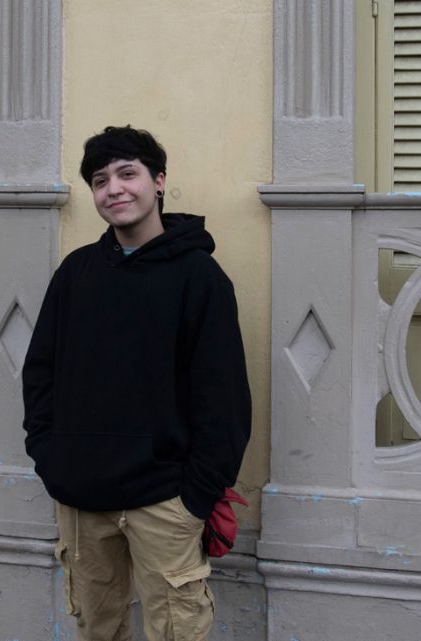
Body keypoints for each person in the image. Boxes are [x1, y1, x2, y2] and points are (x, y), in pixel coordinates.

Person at [22, 125, 252, 641]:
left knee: (177, 633)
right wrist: (49, 456)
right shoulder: (77, 273)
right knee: (97, 630)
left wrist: (196, 495)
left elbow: (224, 399)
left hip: (165, 503)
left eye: (128, 174)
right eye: (101, 181)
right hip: (81, 499)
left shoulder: (200, 277)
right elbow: (40, 373)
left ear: (159, 181)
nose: (115, 189)